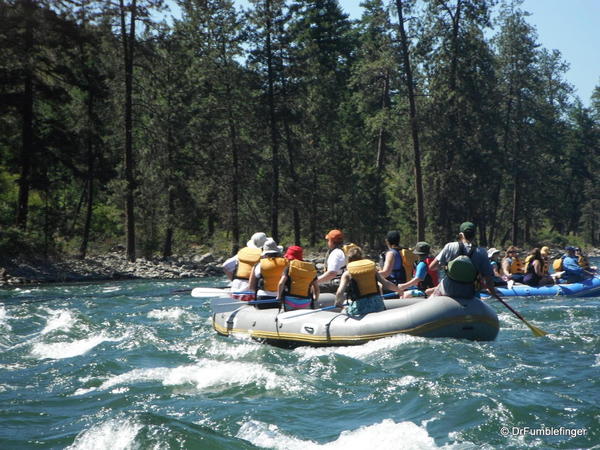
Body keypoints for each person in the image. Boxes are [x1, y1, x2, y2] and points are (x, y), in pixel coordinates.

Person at [428, 222, 497, 299]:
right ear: (474, 235)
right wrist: (493, 293)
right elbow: (488, 279)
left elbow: (432, 267)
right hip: (469, 293)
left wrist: (445, 265)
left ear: (461, 234)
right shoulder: (482, 253)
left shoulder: (450, 247)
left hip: (447, 291)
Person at [335, 247, 403, 316]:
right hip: (378, 305)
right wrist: (398, 290)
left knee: (343, 311)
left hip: (360, 308)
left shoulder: (347, 273)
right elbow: (386, 283)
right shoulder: (372, 269)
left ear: (349, 260)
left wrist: (337, 302)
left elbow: (340, 291)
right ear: (362, 257)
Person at [221, 232, 267, 300]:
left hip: (235, 287)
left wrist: (233, 280)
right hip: (249, 290)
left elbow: (225, 266)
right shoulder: (263, 255)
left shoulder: (242, 253)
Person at [276, 246, 320, 311]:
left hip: (289, 301)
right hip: (305, 303)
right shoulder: (311, 268)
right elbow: (316, 288)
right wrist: (316, 298)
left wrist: (278, 296)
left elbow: (281, 283)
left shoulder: (289, 267)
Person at [248, 238, 288, 309]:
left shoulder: (259, 265)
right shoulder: (286, 263)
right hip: (282, 297)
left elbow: (251, 286)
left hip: (263, 298)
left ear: (265, 253)